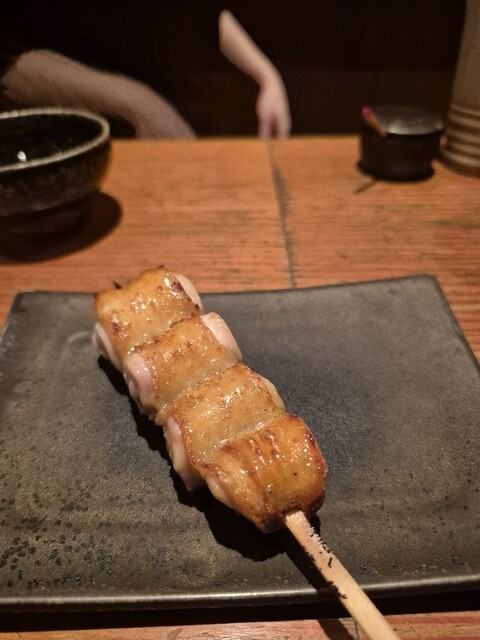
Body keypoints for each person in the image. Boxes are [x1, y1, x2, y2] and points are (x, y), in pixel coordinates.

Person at [0, 7, 291, 139]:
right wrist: (137, 105)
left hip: (193, 133)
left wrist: (267, 76)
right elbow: (8, 61)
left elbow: (206, 13)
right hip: (96, 150)